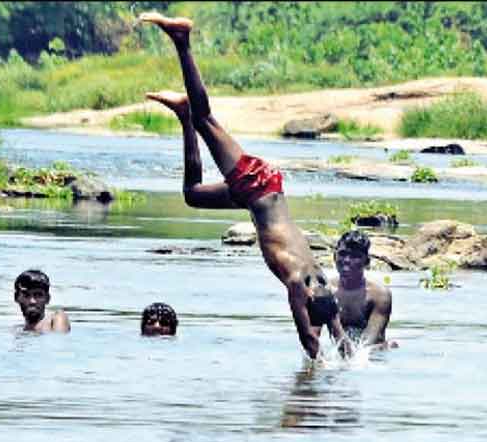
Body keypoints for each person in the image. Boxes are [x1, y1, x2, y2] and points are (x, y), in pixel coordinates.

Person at [138, 12, 349, 359]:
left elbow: (336, 333)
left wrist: (346, 361)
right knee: (206, 119)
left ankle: (181, 115)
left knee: (193, 195)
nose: (312, 316)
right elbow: (309, 339)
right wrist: (318, 370)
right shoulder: (303, 282)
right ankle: (182, 40)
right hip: (258, 187)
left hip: (260, 196)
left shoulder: (321, 283)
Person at [330, 230, 394, 348]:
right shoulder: (326, 292)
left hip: (371, 351)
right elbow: (312, 336)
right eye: (343, 254)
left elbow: (368, 343)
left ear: (367, 262)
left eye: (355, 256)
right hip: (341, 347)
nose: (347, 260)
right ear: (334, 256)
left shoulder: (379, 295)